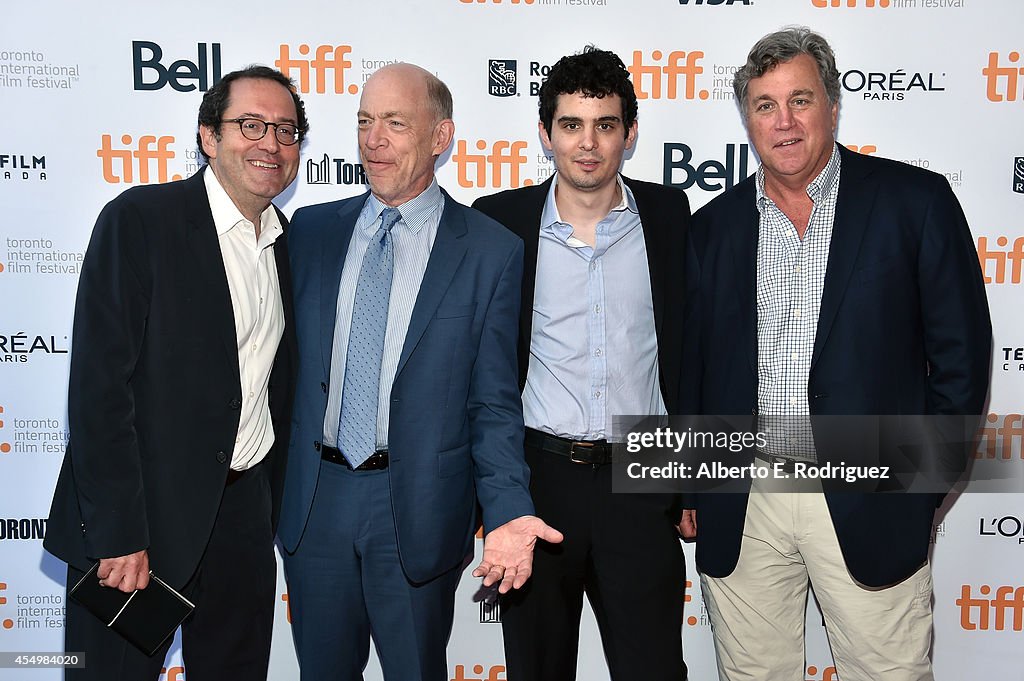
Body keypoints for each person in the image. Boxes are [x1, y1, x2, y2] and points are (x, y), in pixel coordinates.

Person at [679, 27, 991, 681]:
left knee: (887, 672)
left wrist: (920, 484)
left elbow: (960, 359)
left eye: (800, 100)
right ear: (747, 117)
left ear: (832, 104)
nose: (784, 122)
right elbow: (693, 367)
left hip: (873, 490)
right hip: (746, 501)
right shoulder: (712, 226)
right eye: (765, 105)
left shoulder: (916, 203)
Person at [278, 62, 562, 681]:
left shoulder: (489, 251)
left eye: (395, 124)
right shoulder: (311, 231)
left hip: (416, 509)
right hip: (314, 500)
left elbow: (493, 402)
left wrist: (509, 509)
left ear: (441, 137)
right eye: (364, 122)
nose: (373, 140)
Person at [44, 65, 306, 680]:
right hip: (141, 526)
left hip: (242, 521)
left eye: (287, 130)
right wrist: (116, 533)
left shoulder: (291, 245)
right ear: (208, 137)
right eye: (252, 125)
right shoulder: (142, 220)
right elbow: (99, 391)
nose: (271, 142)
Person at [473, 46, 690, 681]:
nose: (588, 144)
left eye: (605, 125)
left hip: (644, 477)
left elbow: (692, 352)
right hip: (539, 481)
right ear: (546, 134)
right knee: (537, 669)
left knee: (653, 668)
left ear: (630, 132)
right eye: (571, 125)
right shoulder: (499, 223)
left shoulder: (669, 218)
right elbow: (480, 376)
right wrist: (494, 494)